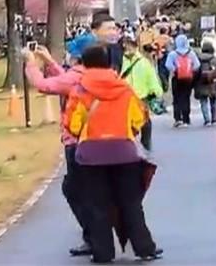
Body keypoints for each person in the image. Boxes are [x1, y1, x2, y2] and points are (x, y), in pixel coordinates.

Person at [64, 43, 161, 264]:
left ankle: (103, 252)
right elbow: (139, 119)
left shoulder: (79, 90)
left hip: (90, 155)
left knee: (96, 205)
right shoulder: (124, 89)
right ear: (109, 63)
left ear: (85, 64)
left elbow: (72, 123)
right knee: (131, 202)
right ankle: (145, 248)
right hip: (124, 153)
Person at [23, 34, 96, 257]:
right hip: (97, 138)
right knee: (91, 189)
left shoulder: (75, 76)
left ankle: (93, 236)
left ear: (77, 57)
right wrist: (50, 62)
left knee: (74, 190)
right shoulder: (93, 74)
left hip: (76, 140)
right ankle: (98, 234)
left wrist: (30, 63)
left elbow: (43, 85)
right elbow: (66, 81)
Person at [120, 35, 164, 151]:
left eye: (131, 46)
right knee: (127, 122)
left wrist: (155, 91)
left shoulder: (143, 62)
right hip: (124, 97)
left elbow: (151, 78)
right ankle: (129, 145)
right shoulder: (120, 62)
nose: (128, 49)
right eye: (126, 46)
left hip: (141, 97)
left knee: (145, 121)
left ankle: (146, 143)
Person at [165, 34, 200, 127]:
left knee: (176, 98)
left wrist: (176, 69)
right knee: (186, 97)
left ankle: (177, 118)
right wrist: (190, 70)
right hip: (188, 79)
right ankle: (186, 118)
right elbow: (197, 65)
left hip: (176, 78)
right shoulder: (191, 53)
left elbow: (168, 65)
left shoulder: (172, 54)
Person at [194, 41, 216, 126]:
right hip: (214, 83)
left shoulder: (197, 59)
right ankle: (214, 118)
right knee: (214, 102)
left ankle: (207, 120)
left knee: (203, 102)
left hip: (201, 83)